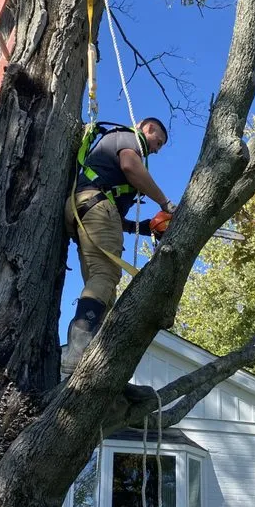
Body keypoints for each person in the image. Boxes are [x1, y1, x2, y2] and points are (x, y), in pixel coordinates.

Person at [62, 117, 175, 376]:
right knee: (106, 275)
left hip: (85, 207)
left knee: (102, 288)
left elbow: (111, 215)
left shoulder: (109, 151)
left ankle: (89, 357)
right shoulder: (128, 137)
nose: (156, 149)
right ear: (148, 128)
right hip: (96, 205)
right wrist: (165, 203)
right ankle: (76, 352)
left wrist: (145, 227)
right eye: (158, 142)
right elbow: (130, 166)